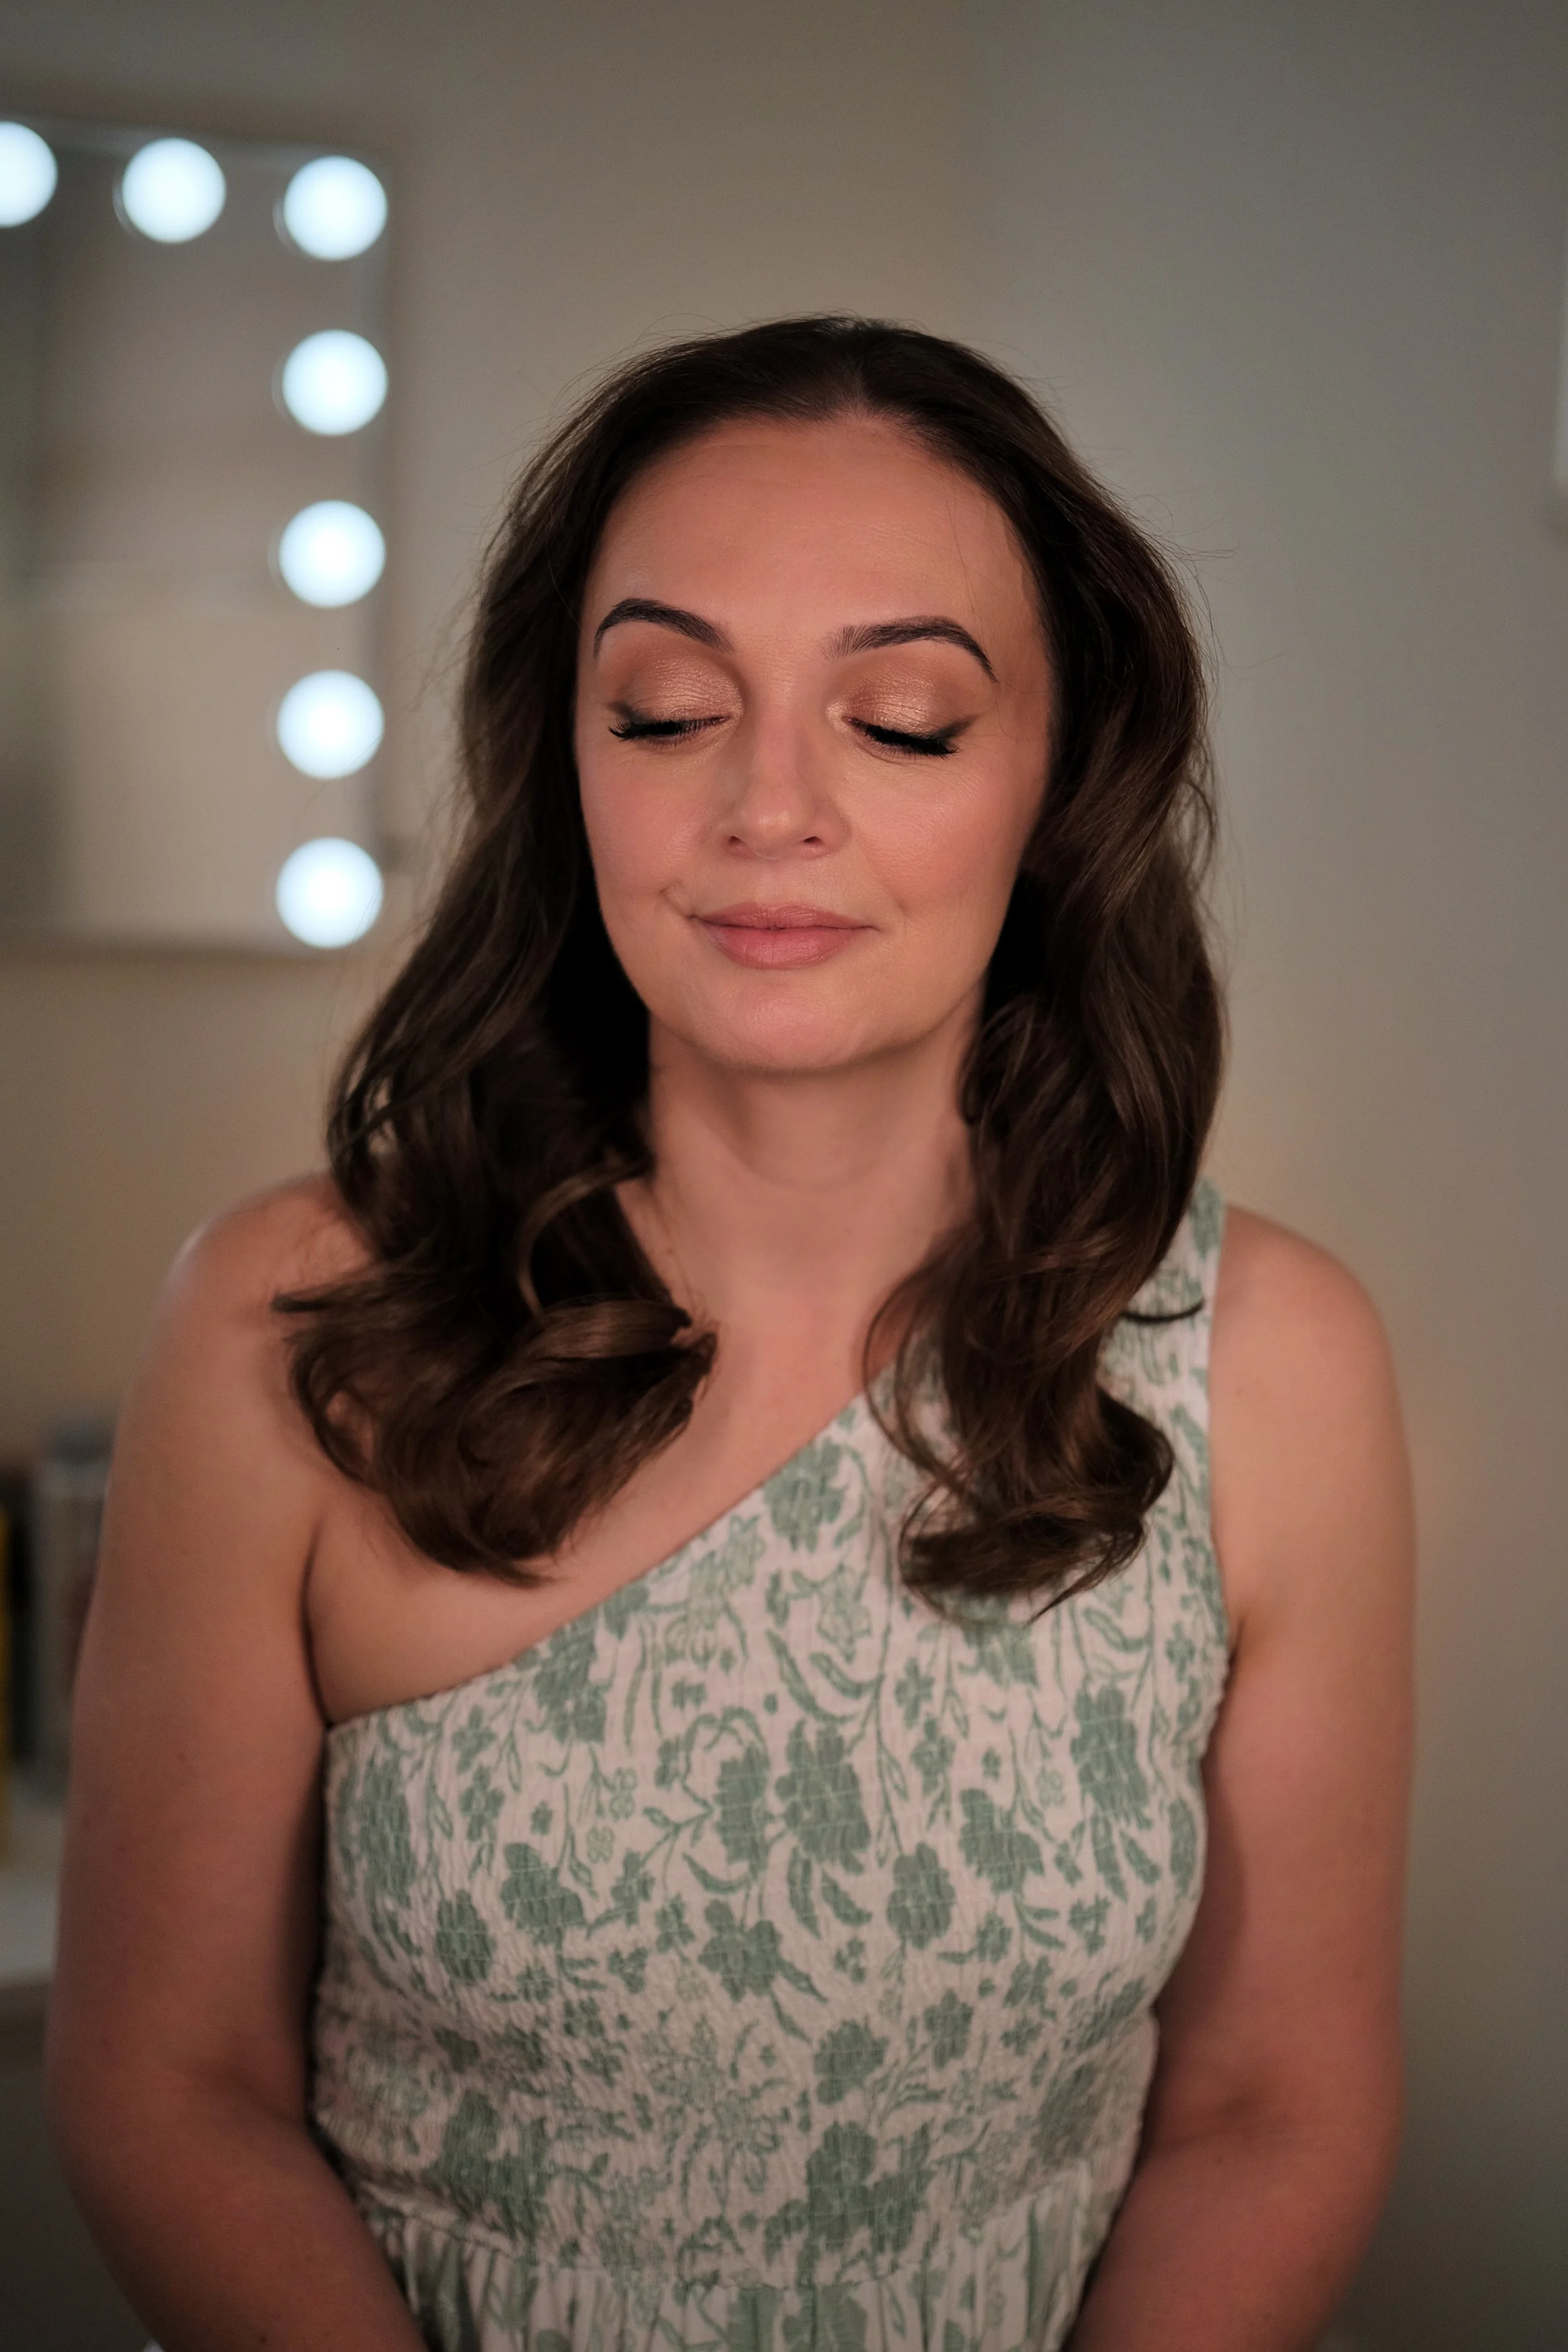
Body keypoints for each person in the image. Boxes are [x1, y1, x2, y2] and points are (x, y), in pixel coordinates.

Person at [46, 317, 1413, 2352]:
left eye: (904, 721)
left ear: (1054, 777)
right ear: (567, 757)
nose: (769, 806)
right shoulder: (295, 1324)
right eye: (669, 709)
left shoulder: (1269, 1363)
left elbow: (1266, 2109)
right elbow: (170, 2086)